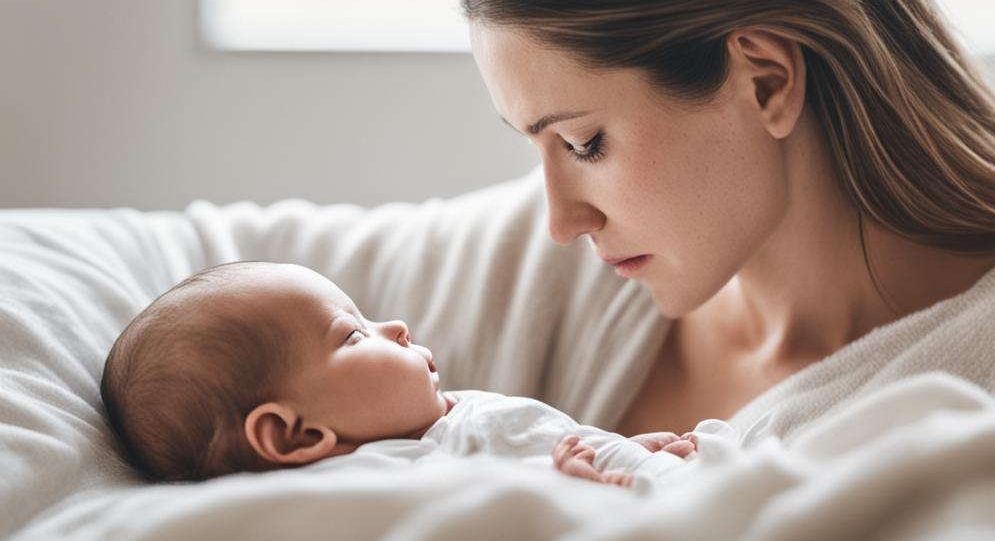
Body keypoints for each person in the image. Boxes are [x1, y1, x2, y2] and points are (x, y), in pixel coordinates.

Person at [458, 0, 995, 442]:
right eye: (538, 148)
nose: (559, 221)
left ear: (766, 80)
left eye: (584, 143)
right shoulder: (540, 277)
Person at [99, 261, 707, 488]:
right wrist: (568, 490)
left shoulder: (435, 424)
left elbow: (536, 442)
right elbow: (477, 512)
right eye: (353, 334)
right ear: (295, 436)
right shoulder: (376, 476)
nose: (396, 327)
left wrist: (618, 450)